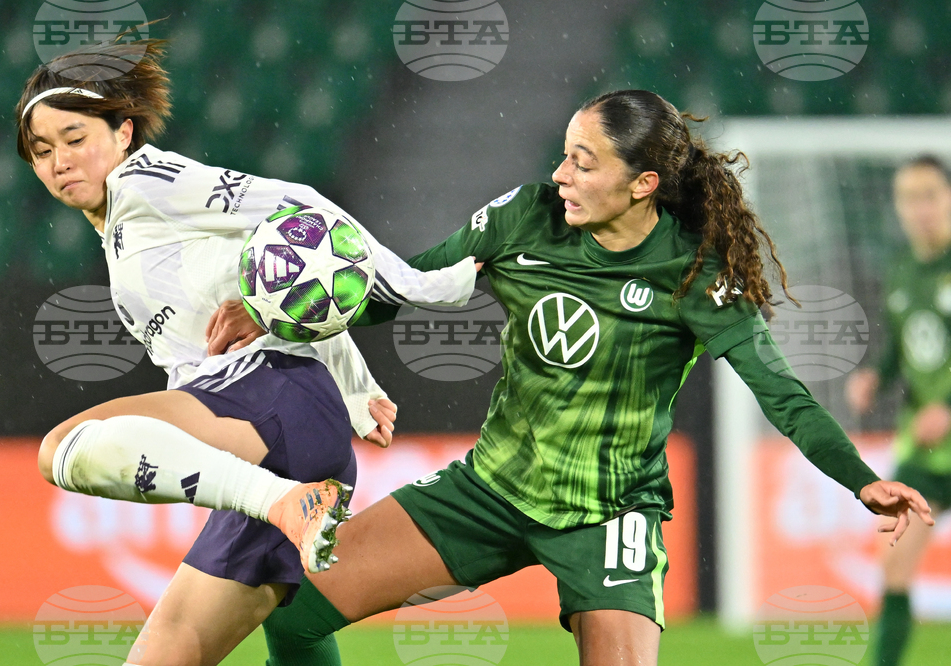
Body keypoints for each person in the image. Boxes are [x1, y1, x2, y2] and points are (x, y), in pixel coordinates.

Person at [207, 89, 937, 666]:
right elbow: (408, 283)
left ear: (643, 183)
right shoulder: (525, 218)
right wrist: (281, 315)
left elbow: (782, 393)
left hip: (608, 514)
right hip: (489, 492)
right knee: (295, 610)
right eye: (564, 154)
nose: (561, 174)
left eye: (584, 162)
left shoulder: (693, 276)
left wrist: (858, 478)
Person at [15, 40, 478, 666]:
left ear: (124, 132)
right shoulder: (126, 226)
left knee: (67, 448)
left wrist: (420, 286)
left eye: (75, 138)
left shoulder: (144, 183)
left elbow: (306, 212)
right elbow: (284, 275)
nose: (59, 162)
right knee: (188, 651)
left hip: (270, 403)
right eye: (42, 152)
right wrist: (353, 384)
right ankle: (288, 504)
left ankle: (286, 503)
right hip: (287, 428)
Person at [846, 155, 951, 666]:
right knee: (894, 564)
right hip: (927, 448)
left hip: (943, 425)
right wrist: (876, 375)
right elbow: (905, 346)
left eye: (930, 195)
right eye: (909, 197)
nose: (920, 208)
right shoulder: (904, 269)